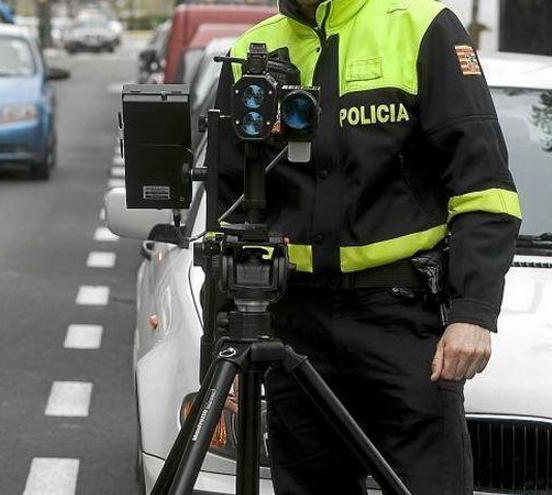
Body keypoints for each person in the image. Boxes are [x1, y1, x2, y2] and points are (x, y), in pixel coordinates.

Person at [214, 0, 522, 493]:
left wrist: (474, 311)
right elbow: (227, 215)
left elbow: (486, 189)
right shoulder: (253, 49)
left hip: (400, 319)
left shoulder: (419, 26)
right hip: (296, 319)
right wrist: (221, 345)